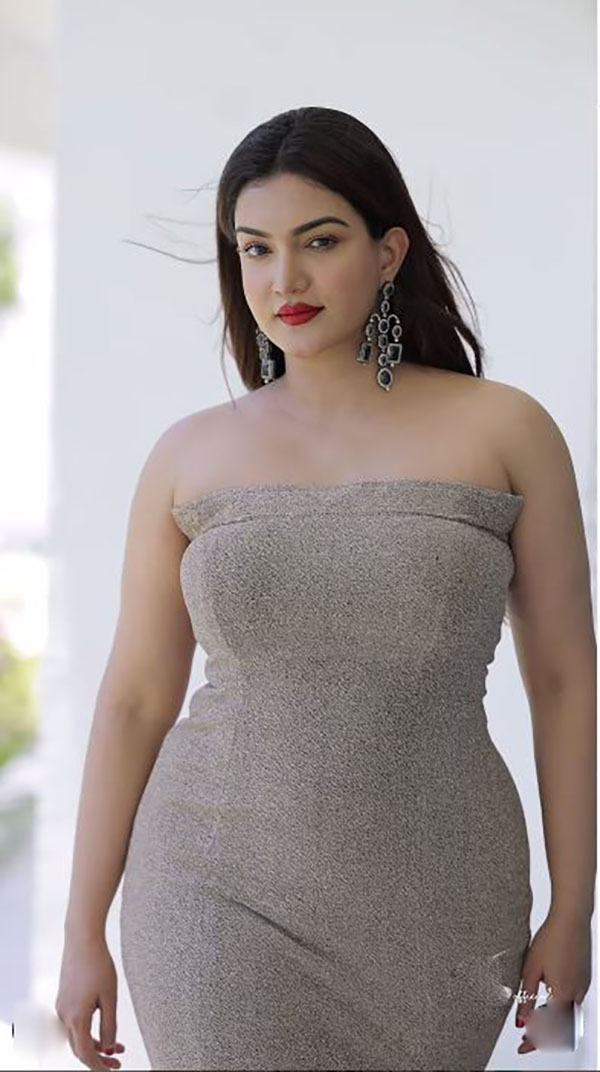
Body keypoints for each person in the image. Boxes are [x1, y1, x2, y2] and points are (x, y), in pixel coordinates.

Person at [54, 107, 596, 1072]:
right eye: (255, 249)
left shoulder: (507, 431)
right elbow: (134, 699)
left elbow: (563, 679)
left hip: (444, 900)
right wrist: (81, 928)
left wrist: (573, 909)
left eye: (320, 242)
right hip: (211, 892)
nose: (284, 281)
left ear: (389, 252)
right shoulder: (188, 455)